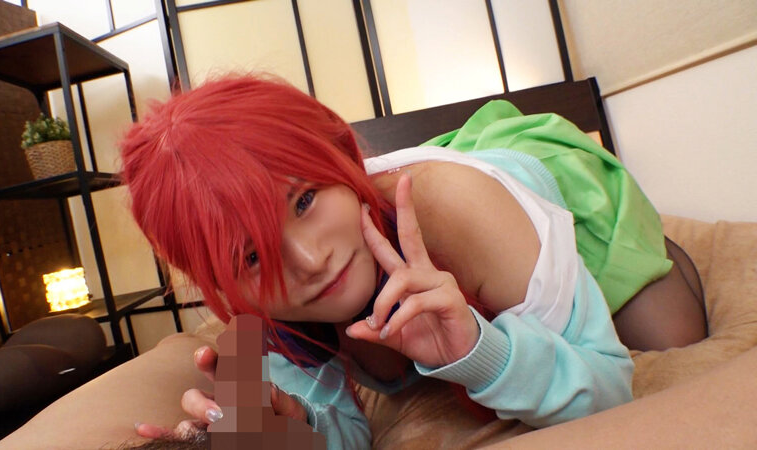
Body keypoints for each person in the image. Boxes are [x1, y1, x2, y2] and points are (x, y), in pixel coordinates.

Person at [118, 74, 705, 448]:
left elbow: (609, 392)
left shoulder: (458, 208)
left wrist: (482, 349)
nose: (310, 259)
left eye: (304, 200)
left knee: (673, 336)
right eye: (250, 255)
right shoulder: (253, 322)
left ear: (342, 159)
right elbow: (343, 432)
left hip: (528, 182)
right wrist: (292, 426)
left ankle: (605, 245)